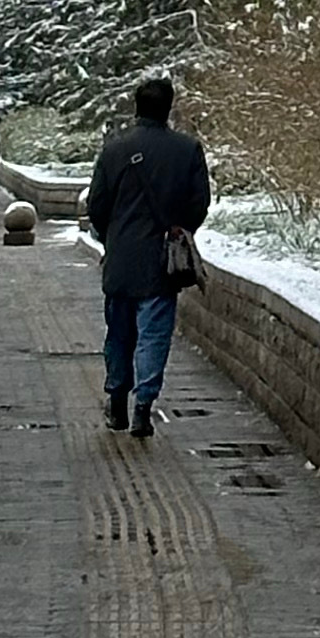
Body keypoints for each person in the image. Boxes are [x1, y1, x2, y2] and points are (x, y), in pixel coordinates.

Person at [84, 74, 210, 439]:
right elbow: (199, 203)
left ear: (136, 106)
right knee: (154, 334)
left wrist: (112, 236)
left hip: (122, 257)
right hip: (161, 260)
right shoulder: (187, 150)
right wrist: (180, 229)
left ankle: (116, 402)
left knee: (119, 333)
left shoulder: (114, 150)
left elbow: (97, 206)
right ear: (169, 108)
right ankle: (144, 407)